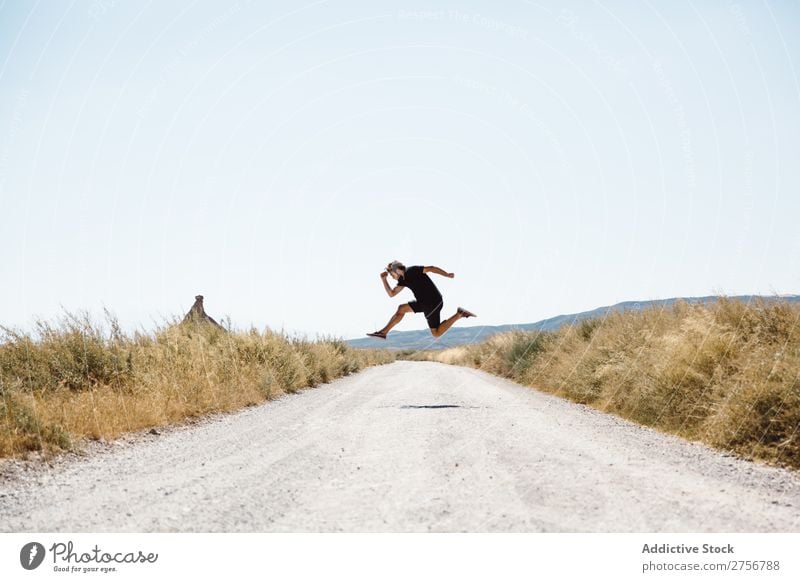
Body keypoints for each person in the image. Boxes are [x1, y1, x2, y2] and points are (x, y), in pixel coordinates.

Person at [367, 260, 476, 339]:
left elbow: (432, 268)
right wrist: (384, 280)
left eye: (391, 274)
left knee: (436, 333)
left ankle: (459, 314)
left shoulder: (413, 270)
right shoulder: (403, 281)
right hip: (424, 303)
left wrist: (446, 274)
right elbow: (391, 294)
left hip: (432, 303)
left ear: (397, 271)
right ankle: (383, 332)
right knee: (401, 309)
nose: (392, 277)